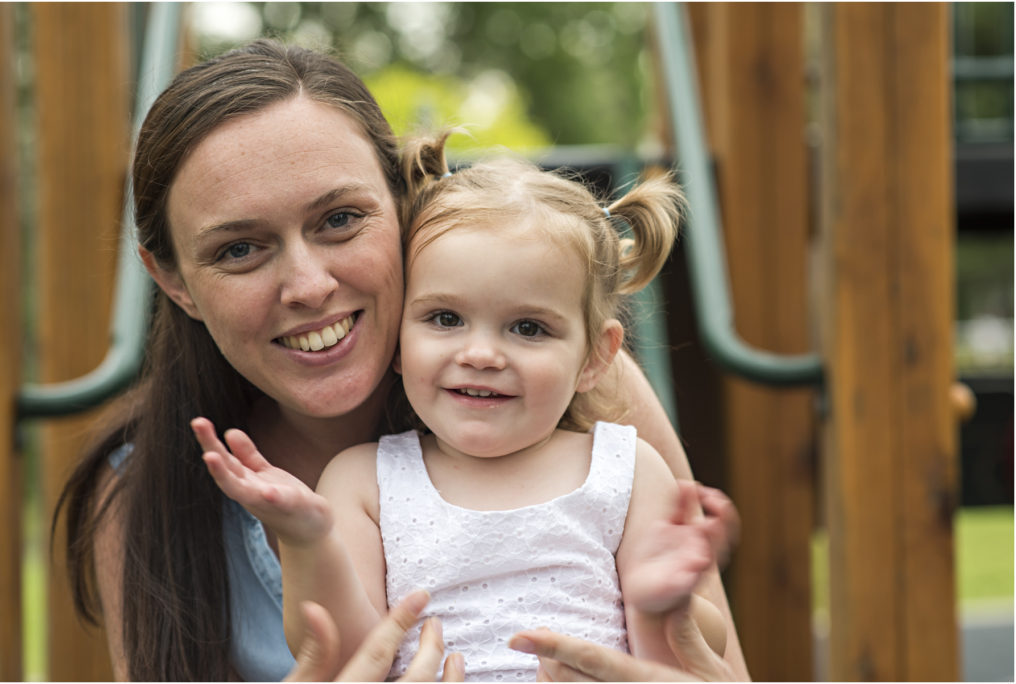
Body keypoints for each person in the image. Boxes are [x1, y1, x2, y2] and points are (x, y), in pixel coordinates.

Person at [53, 39, 749, 681]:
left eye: (339, 219)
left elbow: (706, 653)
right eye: (239, 249)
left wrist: (671, 622)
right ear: (173, 280)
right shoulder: (145, 492)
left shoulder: (582, 396)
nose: (309, 287)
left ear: (403, 204)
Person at [192, 135, 736, 681]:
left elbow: (677, 666)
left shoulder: (626, 470)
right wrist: (306, 540)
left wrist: (663, 607)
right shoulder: (365, 483)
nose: (480, 354)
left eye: (528, 328)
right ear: (398, 340)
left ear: (595, 356)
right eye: (446, 319)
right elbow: (344, 657)